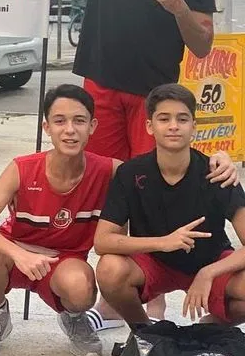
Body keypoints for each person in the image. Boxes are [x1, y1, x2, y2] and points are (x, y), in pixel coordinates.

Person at [53, 0, 215, 329]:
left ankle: (153, 292)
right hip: (100, 87)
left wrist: (178, 7)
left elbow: (202, 45)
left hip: (153, 95)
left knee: (150, 190)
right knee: (105, 188)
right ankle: (105, 284)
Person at [0, 85, 114, 356]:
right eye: (60, 121)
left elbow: (155, 171)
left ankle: (73, 317)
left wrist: (216, 161)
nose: (69, 129)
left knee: (81, 289)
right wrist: (19, 254)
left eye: (79, 121)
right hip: (16, 253)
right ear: (46, 127)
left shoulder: (108, 169)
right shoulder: (22, 168)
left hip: (64, 259)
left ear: (92, 126)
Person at [95, 84, 245, 327]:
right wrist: (163, 242)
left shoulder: (217, 173)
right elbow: (102, 241)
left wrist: (209, 272)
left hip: (211, 260)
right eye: (164, 118)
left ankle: (208, 329)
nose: (173, 126)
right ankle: (144, 332)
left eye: (182, 118)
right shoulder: (130, 172)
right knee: (110, 269)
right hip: (153, 262)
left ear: (194, 127)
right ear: (149, 126)